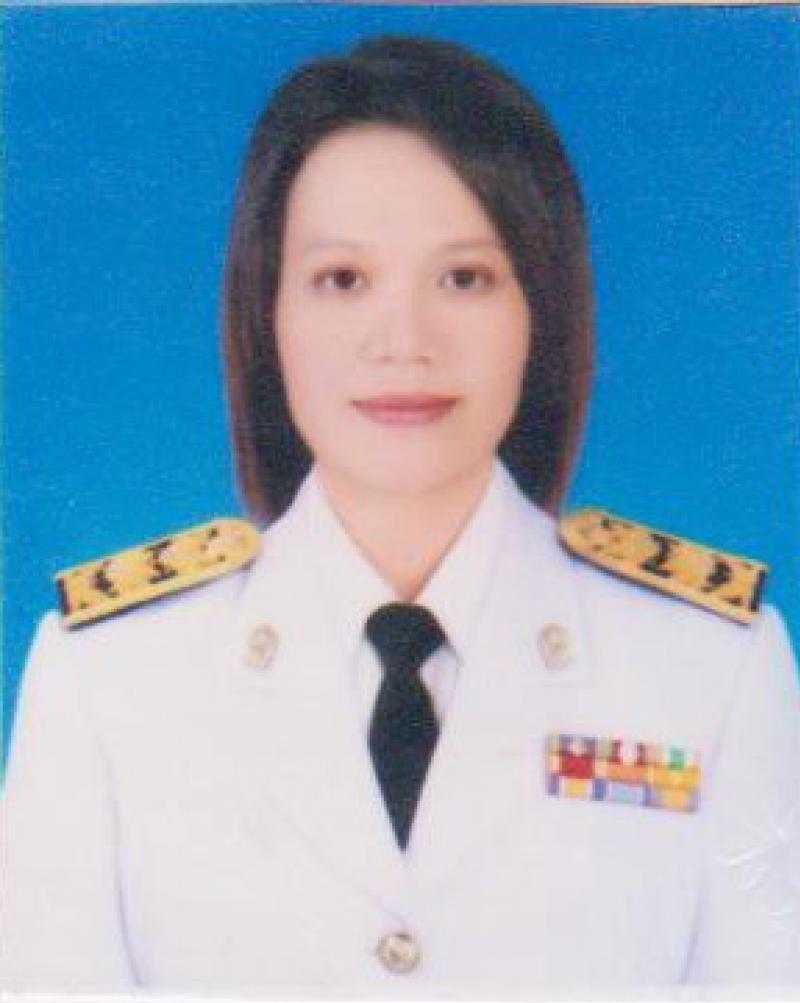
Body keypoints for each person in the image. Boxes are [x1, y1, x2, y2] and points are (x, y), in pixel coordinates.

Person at [4, 33, 799, 995]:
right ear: (269, 314)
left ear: (541, 311)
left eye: (464, 278)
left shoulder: (709, 669)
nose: (404, 341)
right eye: (343, 279)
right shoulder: (110, 676)